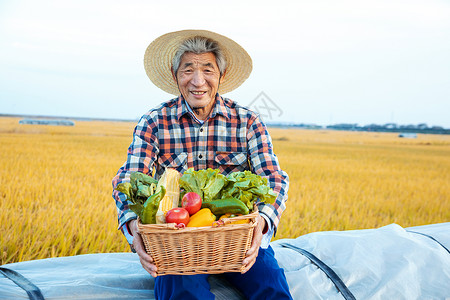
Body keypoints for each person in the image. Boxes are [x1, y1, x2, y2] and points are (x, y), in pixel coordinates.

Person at [112, 29, 292, 300]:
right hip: (176, 241)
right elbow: (128, 179)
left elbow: (274, 178)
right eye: (188, 70)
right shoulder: (154, 122)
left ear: (221, 74)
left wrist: (261, 224)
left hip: (235, 237)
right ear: (175, 77)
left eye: (208, 70)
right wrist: (134, 231)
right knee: (183, 291)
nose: (198, 81)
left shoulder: (247, 122)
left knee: (271, 285)